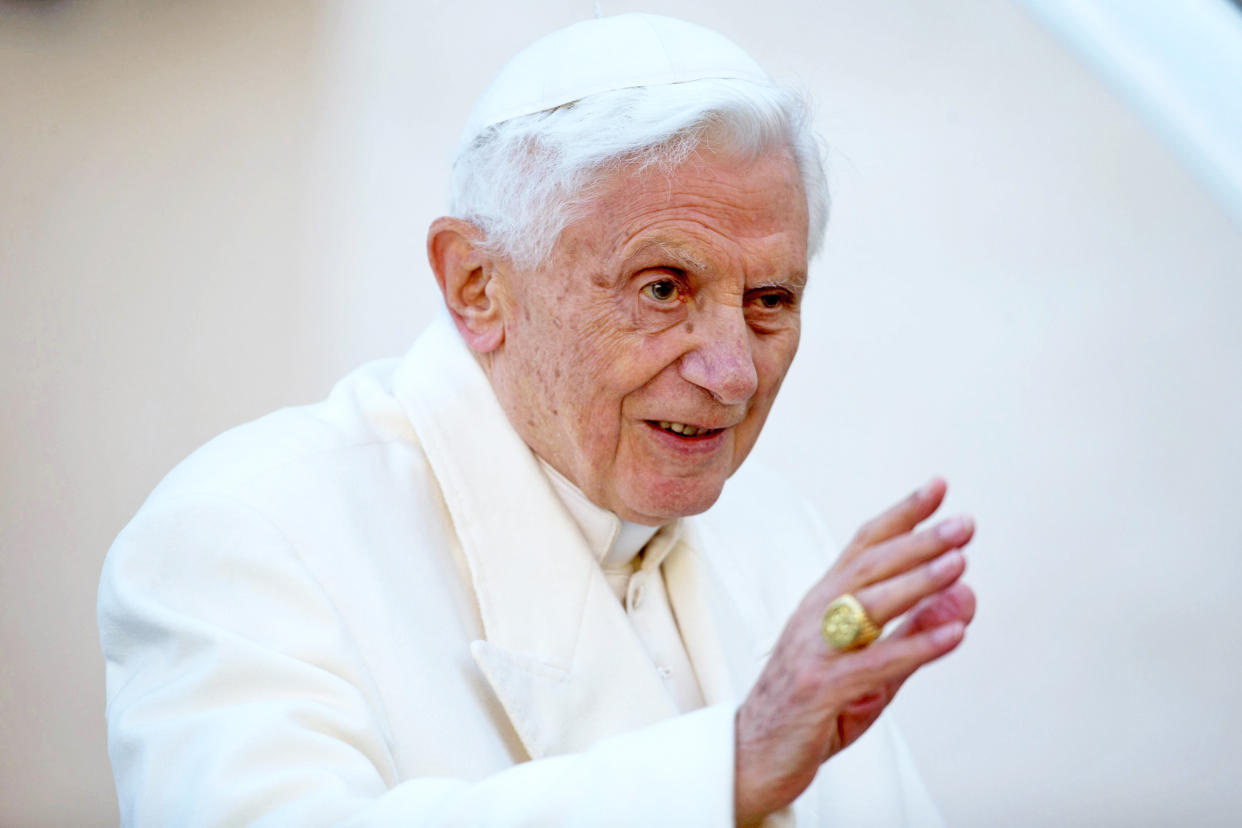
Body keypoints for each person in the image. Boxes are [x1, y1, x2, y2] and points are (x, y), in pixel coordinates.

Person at [98, 13, 976, 827]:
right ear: (478, 285)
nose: (733, 373)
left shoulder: (775, 533)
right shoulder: (250, 533)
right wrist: (729, 766)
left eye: (770, 299)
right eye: (662, 288)